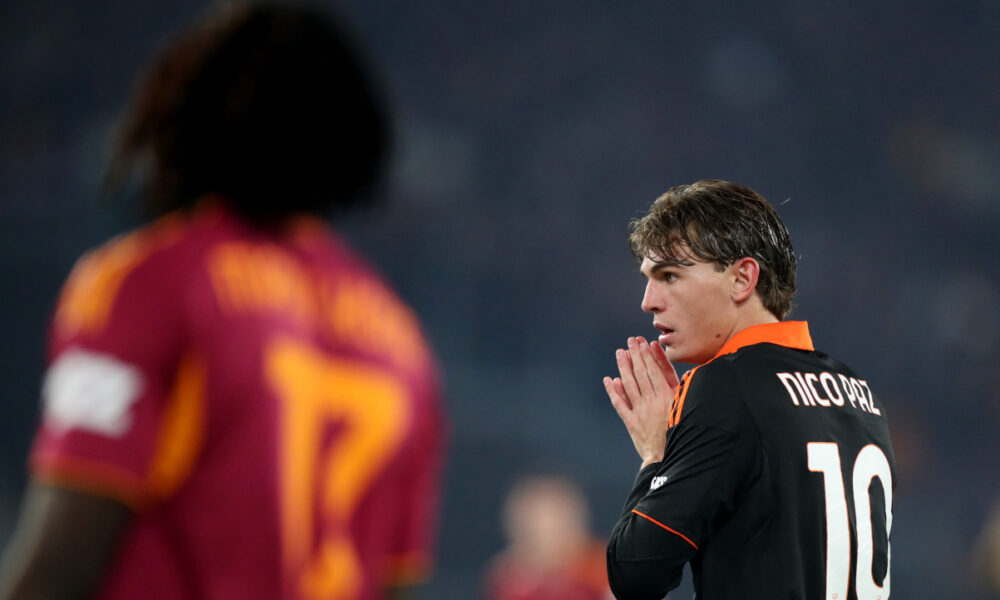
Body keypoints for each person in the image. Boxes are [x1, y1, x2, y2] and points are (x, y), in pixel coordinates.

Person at [0, 3, 446, 600]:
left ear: (183, 117)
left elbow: (60, 568)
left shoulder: (145, 284)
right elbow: (396, 584)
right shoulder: (402, 343)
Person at [602, 180, 894, 600]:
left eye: (670, 275)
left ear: (742, 278)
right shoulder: (860, 395)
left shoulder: (725, 385)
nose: (649, 300)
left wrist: (656, 455)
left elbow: (635, 573)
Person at [483, 475, 611, 600]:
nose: (547, 531)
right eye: (534, 520)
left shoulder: (603, 569)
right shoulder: (508, 578)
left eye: (556, 519)